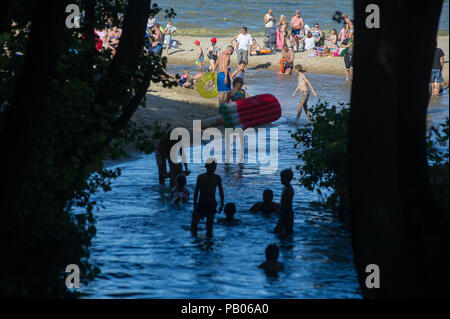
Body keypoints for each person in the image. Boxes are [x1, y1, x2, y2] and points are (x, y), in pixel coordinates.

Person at [191, 159, 225, 237]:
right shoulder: (200, 177)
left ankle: (208, 240)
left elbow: (221, 192)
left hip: (211, 204)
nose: (213, 168)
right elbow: (196, 193)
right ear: (206, 166)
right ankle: (195, 239)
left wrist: (222, 204)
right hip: (202, 203)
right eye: (211, 166)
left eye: (214, 167)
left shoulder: (217, 178)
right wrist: (195, 207)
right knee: (194, 224)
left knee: (209, 226)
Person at [273, 169, 295, 236]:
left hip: (286, 213)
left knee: (282, 231)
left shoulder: (288, 190)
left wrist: (282, 213)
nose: (281, 179)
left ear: (286, 179)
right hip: (286, 213)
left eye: (282, 178)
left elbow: (286, 204)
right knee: (287, 231)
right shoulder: (287, 188)